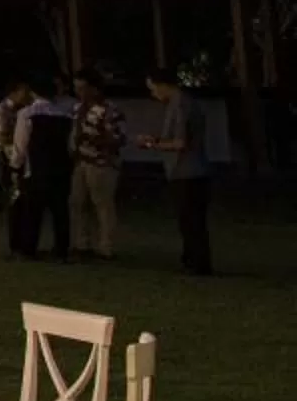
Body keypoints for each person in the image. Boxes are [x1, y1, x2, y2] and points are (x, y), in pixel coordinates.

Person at [140, 72, 213, 276]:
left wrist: (153, 144)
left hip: (187, 171)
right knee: (189, 219)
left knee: (191, 220)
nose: (153, 94)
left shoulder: (181, 105)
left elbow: (181, 142)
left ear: (162, 85)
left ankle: (197, 263)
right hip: (185, 171)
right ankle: (192, 259)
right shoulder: (180, 104)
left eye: (153, 89)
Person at [10, 77, 76, 259]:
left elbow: (20, 145)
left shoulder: (27, 114)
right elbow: (71, 144)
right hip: (60, 168)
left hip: (36, 167)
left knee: (32, 210)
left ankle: (28, 248)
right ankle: (61, 248)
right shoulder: (65, 116)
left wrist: (15, 166)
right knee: (60, 211)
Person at [70, 76, 125, 258]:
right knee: (78, 202)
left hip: (101, 162)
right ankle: (82, 243)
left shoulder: (109, 110)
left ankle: (106, 246)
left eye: (82, 88)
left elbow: (118, 139)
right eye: (76, 88)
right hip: (81, 161)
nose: (79, 93)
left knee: (103, 204)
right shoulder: (77, 109)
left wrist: (93, 139)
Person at [0, 84, 35, 212]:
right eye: (24, 92)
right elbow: (1, 136)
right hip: (4, 149)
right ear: (14, 93)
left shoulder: (24, 109)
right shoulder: (2, 110)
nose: (27, 96)